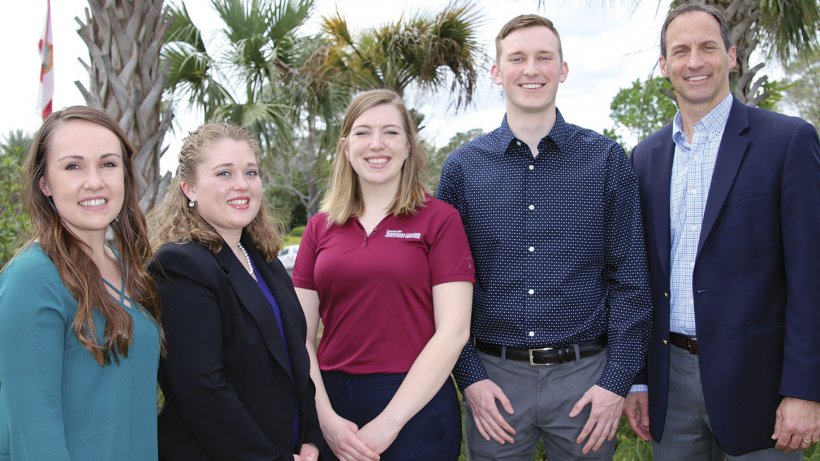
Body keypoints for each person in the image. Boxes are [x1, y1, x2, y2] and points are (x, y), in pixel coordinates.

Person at [436, 14, 652, 460]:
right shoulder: (462, 169)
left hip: (586, 381)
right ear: (497, 72)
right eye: (517, 58)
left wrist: (616, 383)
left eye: (543, 57)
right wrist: (470, 378)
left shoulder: (606, 159)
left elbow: (630, 280)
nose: (530, 69)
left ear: (563, 70)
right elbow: (444, 288)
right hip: (493, 380)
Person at [625, 4, 820, 460]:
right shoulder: (645, 158)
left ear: (731, 57)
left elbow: (811, 275)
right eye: (681, 51)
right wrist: (640, 379)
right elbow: (639, 277)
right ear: (664, 65)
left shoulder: (787, 141)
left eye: (708, 47)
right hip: (671, 387)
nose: (695, 62)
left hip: (762, 388)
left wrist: (805, 388)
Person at [292, 89, 474, 461]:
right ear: (345, 146)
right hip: (333, 405)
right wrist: (325, 419)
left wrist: (390, 422)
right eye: (363, 132)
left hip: (416, 408)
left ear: (408, 146)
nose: (377, 144)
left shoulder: (440, 220)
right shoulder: (319, 228)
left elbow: (453, 331)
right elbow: (300, 337)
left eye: (390, 132)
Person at [147, 123, 323, 461]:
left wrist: (312, 439)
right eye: (224, 173)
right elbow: (202, 391)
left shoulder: (264, 260)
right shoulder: (180, 266)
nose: (242, 184)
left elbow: (297, 359)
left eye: (250, 172)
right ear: (189, 188)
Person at [0, 106, 162, 460]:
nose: (95, 181)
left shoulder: (125, 268)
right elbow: (33, 438)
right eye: (73, 166)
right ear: (45, 183)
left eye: (108, 164)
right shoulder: (33, 279)